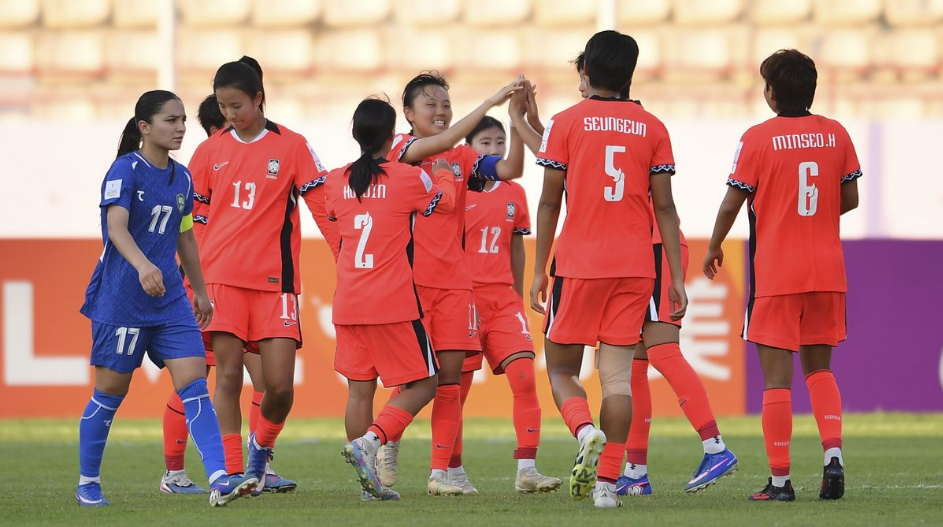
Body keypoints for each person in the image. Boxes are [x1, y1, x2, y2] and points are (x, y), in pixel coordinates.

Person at [530, 30, 687, 508]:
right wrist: (676, 275)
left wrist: (539, 269)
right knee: (618, 379)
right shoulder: (654, 127)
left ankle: (583, 431)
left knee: (560, 367)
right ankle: (606, 486)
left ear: (585, 72)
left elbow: (549, 200)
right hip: (636, 266)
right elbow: (666, 209)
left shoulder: (566, 123)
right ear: (630, 75)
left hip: (579, 263)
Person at [77, 90, 256, 507]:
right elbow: (116, 228)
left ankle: (218, 477)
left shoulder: (183, 177)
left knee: (195, 381)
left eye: (181, 121)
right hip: (121, 298)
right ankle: (88, 482)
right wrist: (142, 266)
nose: (179, 128)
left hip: (170, 299)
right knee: (109, 392)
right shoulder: (125, 171)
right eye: (170, 121)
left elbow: (186, 235)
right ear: (144, 127)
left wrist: (200, 289)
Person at [703, 49, 860, 502]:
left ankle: (779, 481)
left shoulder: (757, 138)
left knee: (777, 381)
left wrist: (714, 246)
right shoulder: (836, 134)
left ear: (771, 93)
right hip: (828, 270)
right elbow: (849, 198)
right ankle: (833, 457)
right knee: (820, 371)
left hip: (776, 274)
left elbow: (733, 202)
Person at [372, 72, 528, 496]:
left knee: (452, 379)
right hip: (410, 283)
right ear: (407, 114)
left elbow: (511, 169)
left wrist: (513, 119)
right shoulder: (401, 151)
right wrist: (493, 99)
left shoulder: (460, 157)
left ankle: (441, 472)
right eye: (431, 104)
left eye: (445, 104)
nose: (441, 111)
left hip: (456, 283)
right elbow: (441, 144)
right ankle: (387, 441)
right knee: (413, 380)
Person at [190, 57, 336, 494]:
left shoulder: (292, 146)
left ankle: (260, 452)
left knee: (279, 388)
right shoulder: (209, 150)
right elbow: (193, 217)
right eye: (222, 106)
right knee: (228, 375)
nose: (230, 114)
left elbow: (324, 208)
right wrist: (192, 276)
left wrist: (345, 256)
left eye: (237, 105)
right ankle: (232, 473)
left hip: (276, 285)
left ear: (259, 98)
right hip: (221, 280)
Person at [160, 92, 294, 494]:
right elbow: (186, 230)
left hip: (240, 284)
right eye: (227, 117)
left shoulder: (260, 152)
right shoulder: (208, 160)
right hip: (200, 285)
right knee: (195, 378)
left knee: (264, 381)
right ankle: (176, 473)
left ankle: (255, 465)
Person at [327, 97, 458, 501]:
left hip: (348, 299)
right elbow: (444, 205)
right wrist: (445, 174)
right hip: (392, 301)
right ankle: (373, 439)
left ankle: (367, 488)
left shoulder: (336, 179)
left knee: (359, 390)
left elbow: (336, 217)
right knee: (426, 383)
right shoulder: (406, 177)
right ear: (392, 137)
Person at [449, 116, 561, 494]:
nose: (495, 150)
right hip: (461, 301)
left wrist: (520, 288)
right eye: (486, 143)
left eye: (500, 142)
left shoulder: (515, 193)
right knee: (455, 393)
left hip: (502, 301)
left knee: (526, 378)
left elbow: (515, 245)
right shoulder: (455, 189)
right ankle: (452, 470)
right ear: (468, 150)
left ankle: (527, 469)